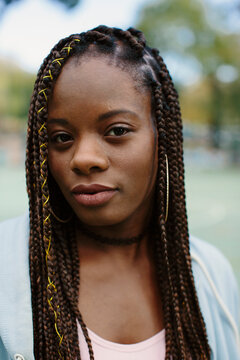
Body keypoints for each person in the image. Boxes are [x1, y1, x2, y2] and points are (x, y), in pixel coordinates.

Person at [0, 25, 239, 360]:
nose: (83, 158)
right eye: (61, 137)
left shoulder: (210, 273)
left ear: (162, 136)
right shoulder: (6, 264)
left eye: (116, 130)